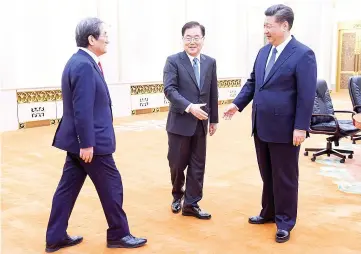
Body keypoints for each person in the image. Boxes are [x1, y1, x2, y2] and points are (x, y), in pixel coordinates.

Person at [45, 17, 147, 252]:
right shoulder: (83, 65)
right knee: (112, 186)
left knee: (67, 189)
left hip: (78, 142)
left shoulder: (80, 61)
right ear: (91, 39)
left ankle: (55, 236)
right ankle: (118, 235)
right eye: (104, 34)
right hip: (91, 144)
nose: (108, 38)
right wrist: (87, 144)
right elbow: (82, 109)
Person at [223, 4, 317, 243]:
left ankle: (285, 221)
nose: (265, 29)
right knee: (267, 174)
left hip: (286, 129)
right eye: (264, 25)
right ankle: (269, 211)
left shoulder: (303, 54)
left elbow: (306, 95)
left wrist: (300, 127)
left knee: (285, 176)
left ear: (284, 26)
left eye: (269, 25)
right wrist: (237, 104)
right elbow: (253, 82)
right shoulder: (264, 52)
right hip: (261, 126)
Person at [163, 21, 219, 220]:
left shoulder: (210, 62)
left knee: (198, 164)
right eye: (188, 38)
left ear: (203, 40)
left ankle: (192, 203)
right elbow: (169, 90)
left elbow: (213, 91)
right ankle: (177, 194)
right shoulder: (173, 61)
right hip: (180, 123)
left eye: (196, 38)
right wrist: (189, 107)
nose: (192, 42)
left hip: (201, 123)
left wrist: (214, 120)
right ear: (182, 39)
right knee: (177, 163)